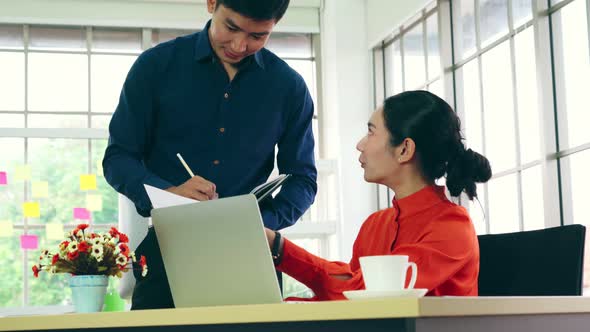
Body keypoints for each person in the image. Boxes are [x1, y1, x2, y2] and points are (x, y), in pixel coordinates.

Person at [103, 0, 317, 309]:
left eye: (258, 36)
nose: (240, 45)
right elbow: (118, 158)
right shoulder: (155, 67)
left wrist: (260, 223)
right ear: (212, 4)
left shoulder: (289, 87)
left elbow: (303, 179)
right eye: (231, 27)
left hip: (251, 253)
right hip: (167, 250)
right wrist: (167, 192)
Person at [264, 90, 492, 300]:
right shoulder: (375, 225)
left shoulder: (451, 227)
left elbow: (365, 294)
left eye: (371, 132)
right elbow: (352, 285)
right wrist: (278, 249)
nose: (360, 144)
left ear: (404, 150)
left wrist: (281, 249)